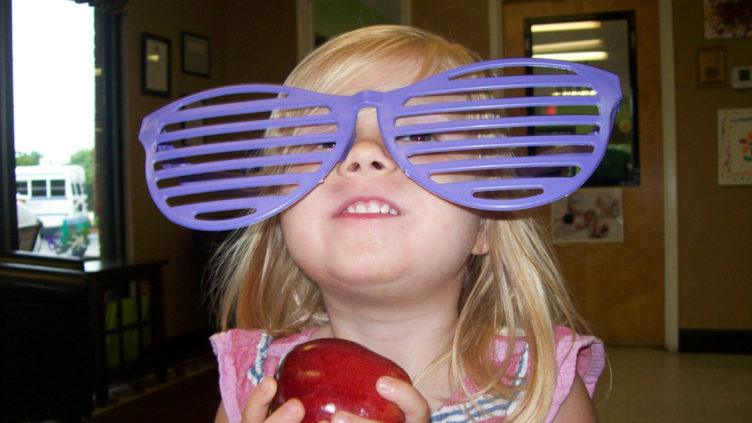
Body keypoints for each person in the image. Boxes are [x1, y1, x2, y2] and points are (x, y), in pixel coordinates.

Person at [208, 25, 605, 423]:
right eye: (323, 140)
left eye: (422, 134)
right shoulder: (253, 388)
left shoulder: (540, 387)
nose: (364, 152)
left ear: (485, 224)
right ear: (281, 220)